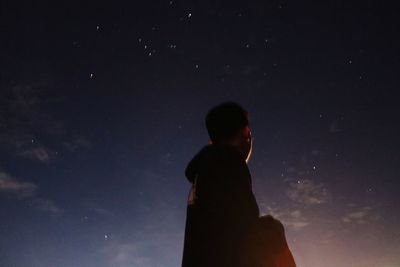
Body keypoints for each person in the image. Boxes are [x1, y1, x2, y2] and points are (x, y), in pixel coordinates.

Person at [181, 101, 296, 267]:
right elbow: (244, 230)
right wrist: (273, 232)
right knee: (272, 228)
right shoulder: (229, 160)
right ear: (245, 132)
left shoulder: (205, 171)